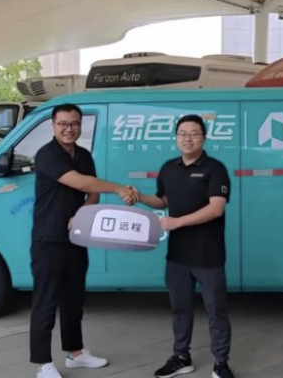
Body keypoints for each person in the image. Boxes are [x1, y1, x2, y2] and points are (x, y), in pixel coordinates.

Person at [30, 103, 138, 378]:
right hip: (48, 239)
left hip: (76, 237)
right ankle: (43, 364)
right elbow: (80, 183)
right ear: (53, 126)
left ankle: (75, 353)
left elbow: (93, 194)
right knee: (46, 302)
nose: (69, 129)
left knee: (74, 299)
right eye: (63, 124)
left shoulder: (84, 155)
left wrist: (81, 213)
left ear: (80, 125)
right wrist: (119, 188)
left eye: (74, 123)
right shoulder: (46, 155)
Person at [132, 114, 235, 378]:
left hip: (208, 255)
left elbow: (215, 208)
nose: (187, 138)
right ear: (176, 138)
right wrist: (139, 197)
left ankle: (221, 363)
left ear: (204, 138)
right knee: (180, 308)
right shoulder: (169, 168)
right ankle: (181, 357)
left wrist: (177, 222)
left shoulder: (215, 169)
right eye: (182, 134)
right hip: (177, 255)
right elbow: (163, 200)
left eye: (194, 133)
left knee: (216, 310)